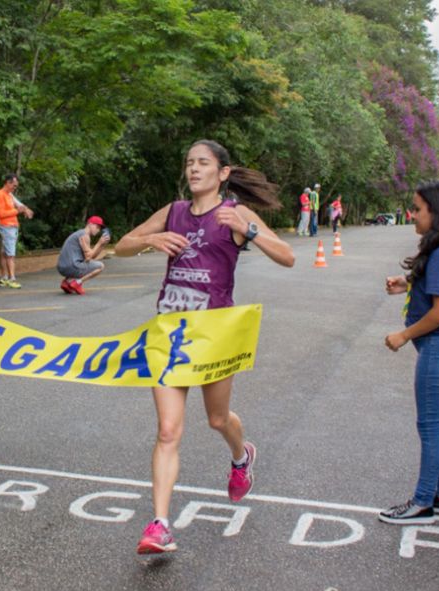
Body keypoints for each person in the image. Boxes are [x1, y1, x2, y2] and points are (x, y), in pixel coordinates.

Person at [114, 139, 294, 554]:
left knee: (216, 419)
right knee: (168, 430)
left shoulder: (234, 213)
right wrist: (151, 242)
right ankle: (159, 524)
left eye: (203, 163)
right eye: (189, 163)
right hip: (170, 335)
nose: (194, 169)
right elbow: (122, 245)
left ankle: (241, 455)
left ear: (223, 173)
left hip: (214, 335)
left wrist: (248, 230)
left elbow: (287, 256)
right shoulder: (174, 211)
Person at [380, 179, 439, 525]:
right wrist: (406, 283)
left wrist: (404, 335)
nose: (412, 214)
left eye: (417, 209)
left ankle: (422, 504)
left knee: (430, 427)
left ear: (437, 212)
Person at [0, 173, 33, 289]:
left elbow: (18, 204)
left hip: (11, 227)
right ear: (8, 183)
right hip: (7, 227)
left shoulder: (9, 194)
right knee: (10, 254)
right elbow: (1, 214)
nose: (15, 188)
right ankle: (12, 279)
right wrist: (17, 211)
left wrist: (26, 209)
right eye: (14, 185)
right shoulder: (0, 195)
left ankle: (4, 278)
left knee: (5, 253)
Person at [56, 215, 110, 295]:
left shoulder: (80, 234)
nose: (98, 230)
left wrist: (102, 245)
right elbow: (89, 257)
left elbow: (92, 257)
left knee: (84, 262)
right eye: (97, 226)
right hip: (71, 267)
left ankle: (66, 282)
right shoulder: (85, 235)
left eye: (100, 228)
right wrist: (99, 243)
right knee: (100, 266)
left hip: (61, 268)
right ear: (90, 224)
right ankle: (77, 283)